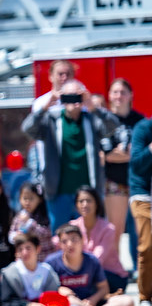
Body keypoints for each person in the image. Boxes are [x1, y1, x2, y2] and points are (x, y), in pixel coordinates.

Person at [22, 79, 119, 231]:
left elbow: (113, 126)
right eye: (68, 96)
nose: (73, 101)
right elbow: (28, 128)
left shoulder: (91, 120)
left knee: (90, 238)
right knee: (60, 238)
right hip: (59, 193)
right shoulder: (52, 121)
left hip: (88, 194)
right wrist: (46, 106)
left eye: (76, 96)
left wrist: (92, 106)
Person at [45, 224, 140, 306]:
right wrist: (59, 289)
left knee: (127, 301)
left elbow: (104, 288)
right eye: (64, 241)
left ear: (82, 241)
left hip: (90, 305)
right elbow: (44, 290)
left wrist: (93, 300)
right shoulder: (51, 263)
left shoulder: (92, 261)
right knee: (72, 302)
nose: (70, 244)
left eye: (74, 240)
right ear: (59, 244)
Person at [0, 232, 76, 306]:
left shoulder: (46, 271)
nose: (24, 252)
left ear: (37, 249)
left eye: (28, 248)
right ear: (17, 253)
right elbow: (6, 303)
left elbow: (53, 296)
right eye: (20, 249)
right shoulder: (9, 273)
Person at [101, 78, 143, 265]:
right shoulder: (105, 121)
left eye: (123, 92)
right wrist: (133, 152)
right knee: (115, 229)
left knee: (139, 229)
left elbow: (145, 151)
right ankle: (116, 269)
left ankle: (139, 270)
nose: (119, 96)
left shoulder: (140, 121)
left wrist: (124, 152)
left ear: (131, 95)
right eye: (115, 92)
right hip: (114, 181)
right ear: (109, 96)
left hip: (138, 181)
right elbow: (107, 155)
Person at [69, 185, 129, 293]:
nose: (85, 204)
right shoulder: (72, 227)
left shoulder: (108, 229)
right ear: (76, 205)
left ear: (97, 203)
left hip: (112, 277)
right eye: (81, 201)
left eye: (89, 201)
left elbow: (97, 261)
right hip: (84, 276)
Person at [130, 114, 152, 306]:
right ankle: (145, 297)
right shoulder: (143, 128)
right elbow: (136, 163)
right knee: (147, 245)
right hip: (144, 195)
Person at [8, 182, 55, 260]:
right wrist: (15, 236)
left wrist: (30, 223)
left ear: (39, 200)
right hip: (25, 259)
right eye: (25, 198)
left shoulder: (45, 216)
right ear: (20, 199)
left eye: (31, 198)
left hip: (43, 258)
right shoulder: (19, 216)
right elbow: (11, 233)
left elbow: (45, 233)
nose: (27, 202)